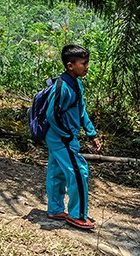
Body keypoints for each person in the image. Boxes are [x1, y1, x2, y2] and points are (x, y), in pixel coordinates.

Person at [45, 44, 101, 230]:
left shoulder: (76, 83)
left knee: (57, 172)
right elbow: (52, 115)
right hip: (61, 138)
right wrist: (67, 135)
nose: (87, 67)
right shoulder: (62, 86)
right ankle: (77, 215)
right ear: (70, 65)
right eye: (83, 63)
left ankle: (55, 209)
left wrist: (91, 133)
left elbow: (81, 110)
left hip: (62, 137)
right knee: (79, 172)